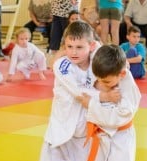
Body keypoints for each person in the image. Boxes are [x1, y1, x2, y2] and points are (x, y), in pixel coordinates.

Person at [39, 21, 112, 161]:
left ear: (90, 46)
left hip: (84, 129)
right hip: (62, 126)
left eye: (79, 47)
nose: (73, 52)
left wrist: (98, 47)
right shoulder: (62, 65)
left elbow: (108, 58)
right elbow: (79, 93)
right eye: (69, 47)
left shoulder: (95, 61)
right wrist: (104, 96)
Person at [76, 44, 141, 161]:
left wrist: (91, 105)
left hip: (121, 139)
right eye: (99, 79)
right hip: (101, 134)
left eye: (106, 82)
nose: (101, 83)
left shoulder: (128, 88)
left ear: (122, 74)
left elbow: (122, 116)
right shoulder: (106, 71)